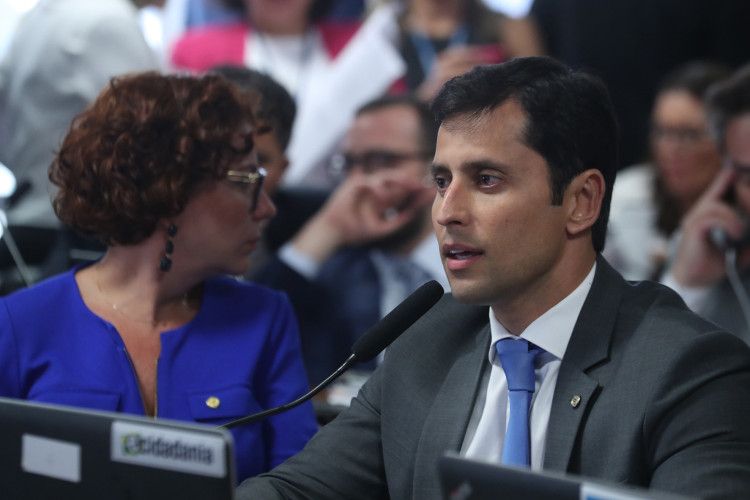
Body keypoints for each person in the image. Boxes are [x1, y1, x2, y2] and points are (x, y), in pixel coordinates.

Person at [236, 57, 750, 499]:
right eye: (441, 181)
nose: (447, 212)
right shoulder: (427, 341)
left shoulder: (688, 371)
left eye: (486, 180)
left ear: (580, 202)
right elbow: (296, 490)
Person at [0, 72, 318, 483]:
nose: (266, 209)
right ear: (171, 188)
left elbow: (306, 484)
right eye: (246, 182)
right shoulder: (19, 324)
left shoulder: (265, 317)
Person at [252, 95, 448, 385]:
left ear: (438, 167)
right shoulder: (334, 273)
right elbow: (251, 331)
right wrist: (329, 227)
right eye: (349, 164)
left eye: (381, 161)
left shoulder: (481, 259)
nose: (357, 181)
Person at [0, 0, 163, 287]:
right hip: (75, 229)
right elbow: (149, 137)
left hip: (32, 212)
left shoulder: (48, 11)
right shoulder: (109, 22)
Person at [603, 61, 730, 281]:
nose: (670, 149)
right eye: (661, 131)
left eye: (689, 135)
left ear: (729, 142)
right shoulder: (623, 201)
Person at [661, 64, 750, 345]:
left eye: (688, 134)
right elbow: (642, 376)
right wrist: (687, 285)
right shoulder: (710, 251)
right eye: (749, 178)